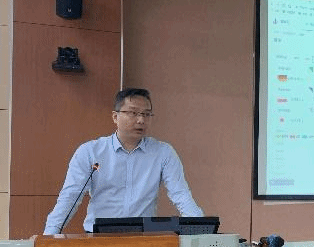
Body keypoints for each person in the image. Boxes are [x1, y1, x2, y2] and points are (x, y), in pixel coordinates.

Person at [43, 88, 203, 234]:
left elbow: (180, 194)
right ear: (115, 116)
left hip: (144, 239)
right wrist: (49, 235)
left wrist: (202, 230)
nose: (141, 120)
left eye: (146, 114)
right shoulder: (90, 152)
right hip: (98, 238)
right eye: (133, 113)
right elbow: (70, 196)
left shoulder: (163, 153)